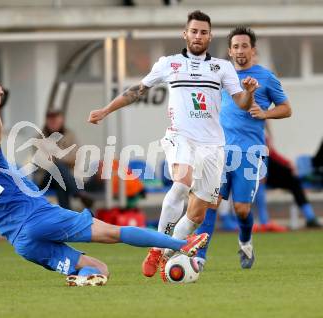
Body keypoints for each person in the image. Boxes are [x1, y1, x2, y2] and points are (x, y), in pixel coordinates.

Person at [0, 83, 209, 287]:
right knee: (115, 232)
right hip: (41, 218)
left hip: (23, 243)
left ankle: (82, 280)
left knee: (101, 269)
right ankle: (182, 243)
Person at [88, 11, 259, 281]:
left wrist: (249, 93)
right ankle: (157, 248)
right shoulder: (169, 64)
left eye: (203, 32)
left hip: (213, 146)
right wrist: (106, 110)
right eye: (194, 31)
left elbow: (241, 103)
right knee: (181, 182)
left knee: (198, 213)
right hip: (180, 137)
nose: (198, 36)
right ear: (185, 34)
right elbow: (136, 90)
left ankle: (164, 251)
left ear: (210, 36)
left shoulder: (222, 68)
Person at [194, 26, 292, 270]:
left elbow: (287, 108)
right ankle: (199, 256)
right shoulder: (220, 75)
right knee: (211, 203)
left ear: (253, 49)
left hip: (250, 152)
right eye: (235, 46)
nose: (240, 50)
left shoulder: (266, 77)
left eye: (244, 45)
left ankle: (245, 240)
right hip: (220, 151)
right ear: (229, 51)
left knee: (241, 209)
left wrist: (266, 113)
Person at [253, 136, 321, 230]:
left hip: (268, 172)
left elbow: (272, 154)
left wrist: (288, 163)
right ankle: (263, 222)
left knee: (294, 181)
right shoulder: (249, 134)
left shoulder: (262, 135)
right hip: (253, 171)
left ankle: (310, 217)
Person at [37, 110, 93, 209]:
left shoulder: (70, 135)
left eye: (56, 120)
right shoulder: (39, 138)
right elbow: (44, 163)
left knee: (60, 180)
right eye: (51, 120)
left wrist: (56, 154)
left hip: (64, 177)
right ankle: (79, 194)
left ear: (61, 120)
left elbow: (76, 157)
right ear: (46, 121)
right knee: (57, 168)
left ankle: (66, 212)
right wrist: (62, 156)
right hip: (45, 178)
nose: (53, 123)